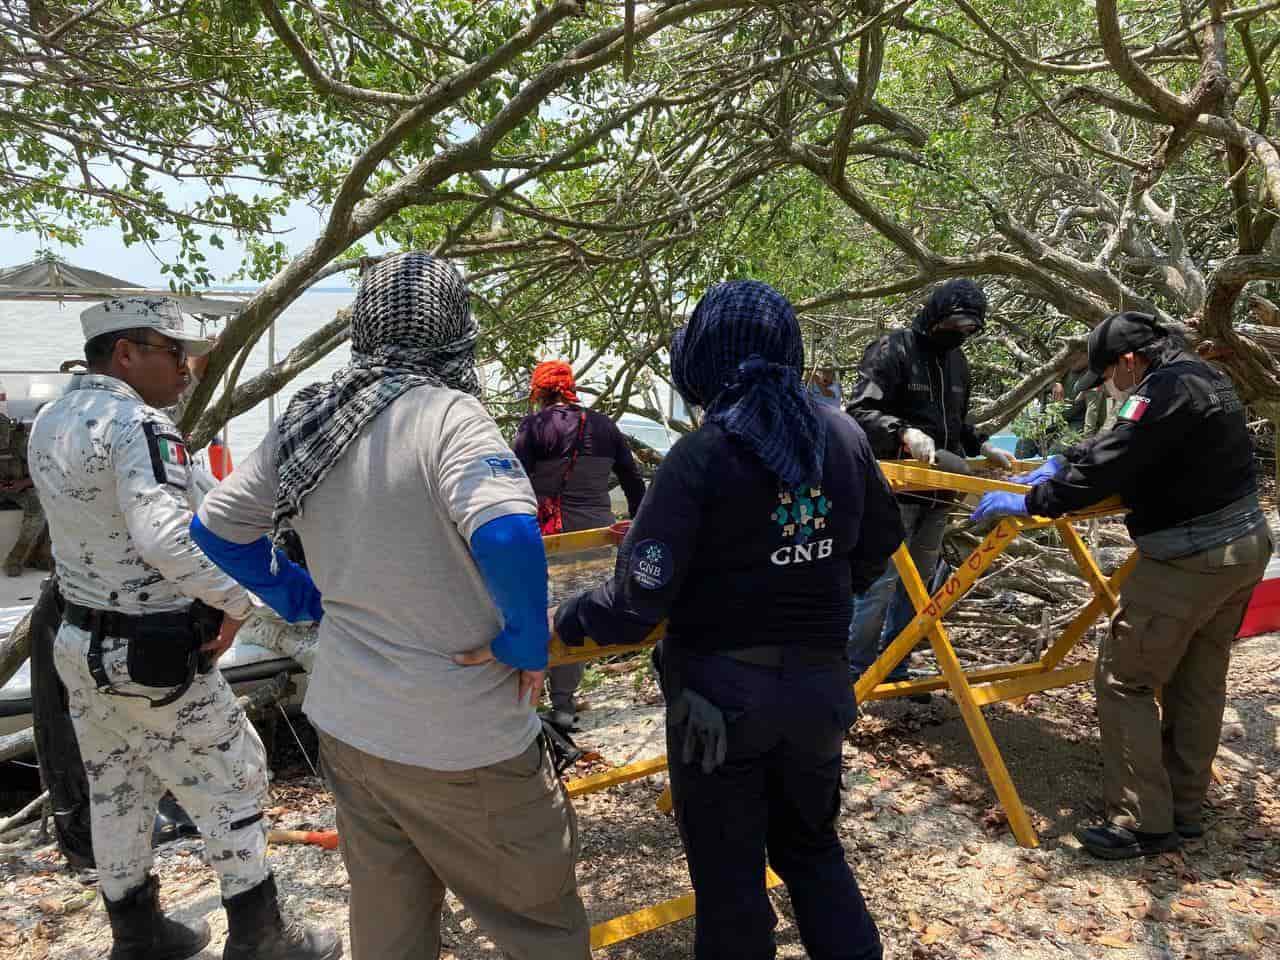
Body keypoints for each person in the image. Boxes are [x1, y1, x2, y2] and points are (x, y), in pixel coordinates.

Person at [190, 253, 591, 960]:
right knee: (540, 927)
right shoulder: (448, 414)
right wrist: (528, 642)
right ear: (455, 324)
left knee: (390, 927)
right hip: (463, 736)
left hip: (352, 730)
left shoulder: (311, 418)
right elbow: (505, 530)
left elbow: (216, 526)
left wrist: (294, 593)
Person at [556, 280, 902, 960]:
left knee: (730, 882)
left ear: (708, 355)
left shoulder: (702, 454)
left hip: (719, 705)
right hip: (818, 688)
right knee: (812, 850)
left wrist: (569, 616)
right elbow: (879, 540)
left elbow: (636, 604)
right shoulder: (843, 433)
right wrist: (817, 580)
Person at [27, 296, 338, 960]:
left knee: (117, 785)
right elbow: (164, 535)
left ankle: (137, 935)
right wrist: (235, 603)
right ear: (126, 354)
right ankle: (261, 937)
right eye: (174, 353)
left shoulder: (52, 418)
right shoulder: (139, 425)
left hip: (78, 644)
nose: (188, 369)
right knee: (236, 773)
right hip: (152, 650)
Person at [971, 311, 1272, 860]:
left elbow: (1117, 458)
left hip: (1190, 558)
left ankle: (1142, 822)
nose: (1108, 386)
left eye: (1108, 373)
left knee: (1124, 678)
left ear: (1129, 360)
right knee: (1195, 680)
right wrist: (1064, 458)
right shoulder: (1202, 377)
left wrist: (1035, 499)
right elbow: (1127, 444)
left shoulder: (1161, 392)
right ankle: (1183, 810)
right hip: (1243, 548)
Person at [844, 279, 1014, 687]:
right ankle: (851, 671)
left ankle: (895, 664)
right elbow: (859, 411)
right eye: (955, 323)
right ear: (936, 315)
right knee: (878, 583)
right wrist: (902, 432)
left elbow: (955, 423)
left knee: (919, 585)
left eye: (969, 327)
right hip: (894, 492)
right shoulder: (893, 350)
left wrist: (982, 444)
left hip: (939, 493)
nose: (960, 333)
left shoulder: (957, 363)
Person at [514, 359, 646, 729]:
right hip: (594, 537)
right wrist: (638, 528)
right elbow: (634, 483)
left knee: (538, 610)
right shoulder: (605, 426)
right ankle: (564, 705)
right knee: (576, 610)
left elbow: (514, 484)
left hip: (545, 537)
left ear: (540, 391)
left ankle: (530, 702)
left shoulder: (534, 427)